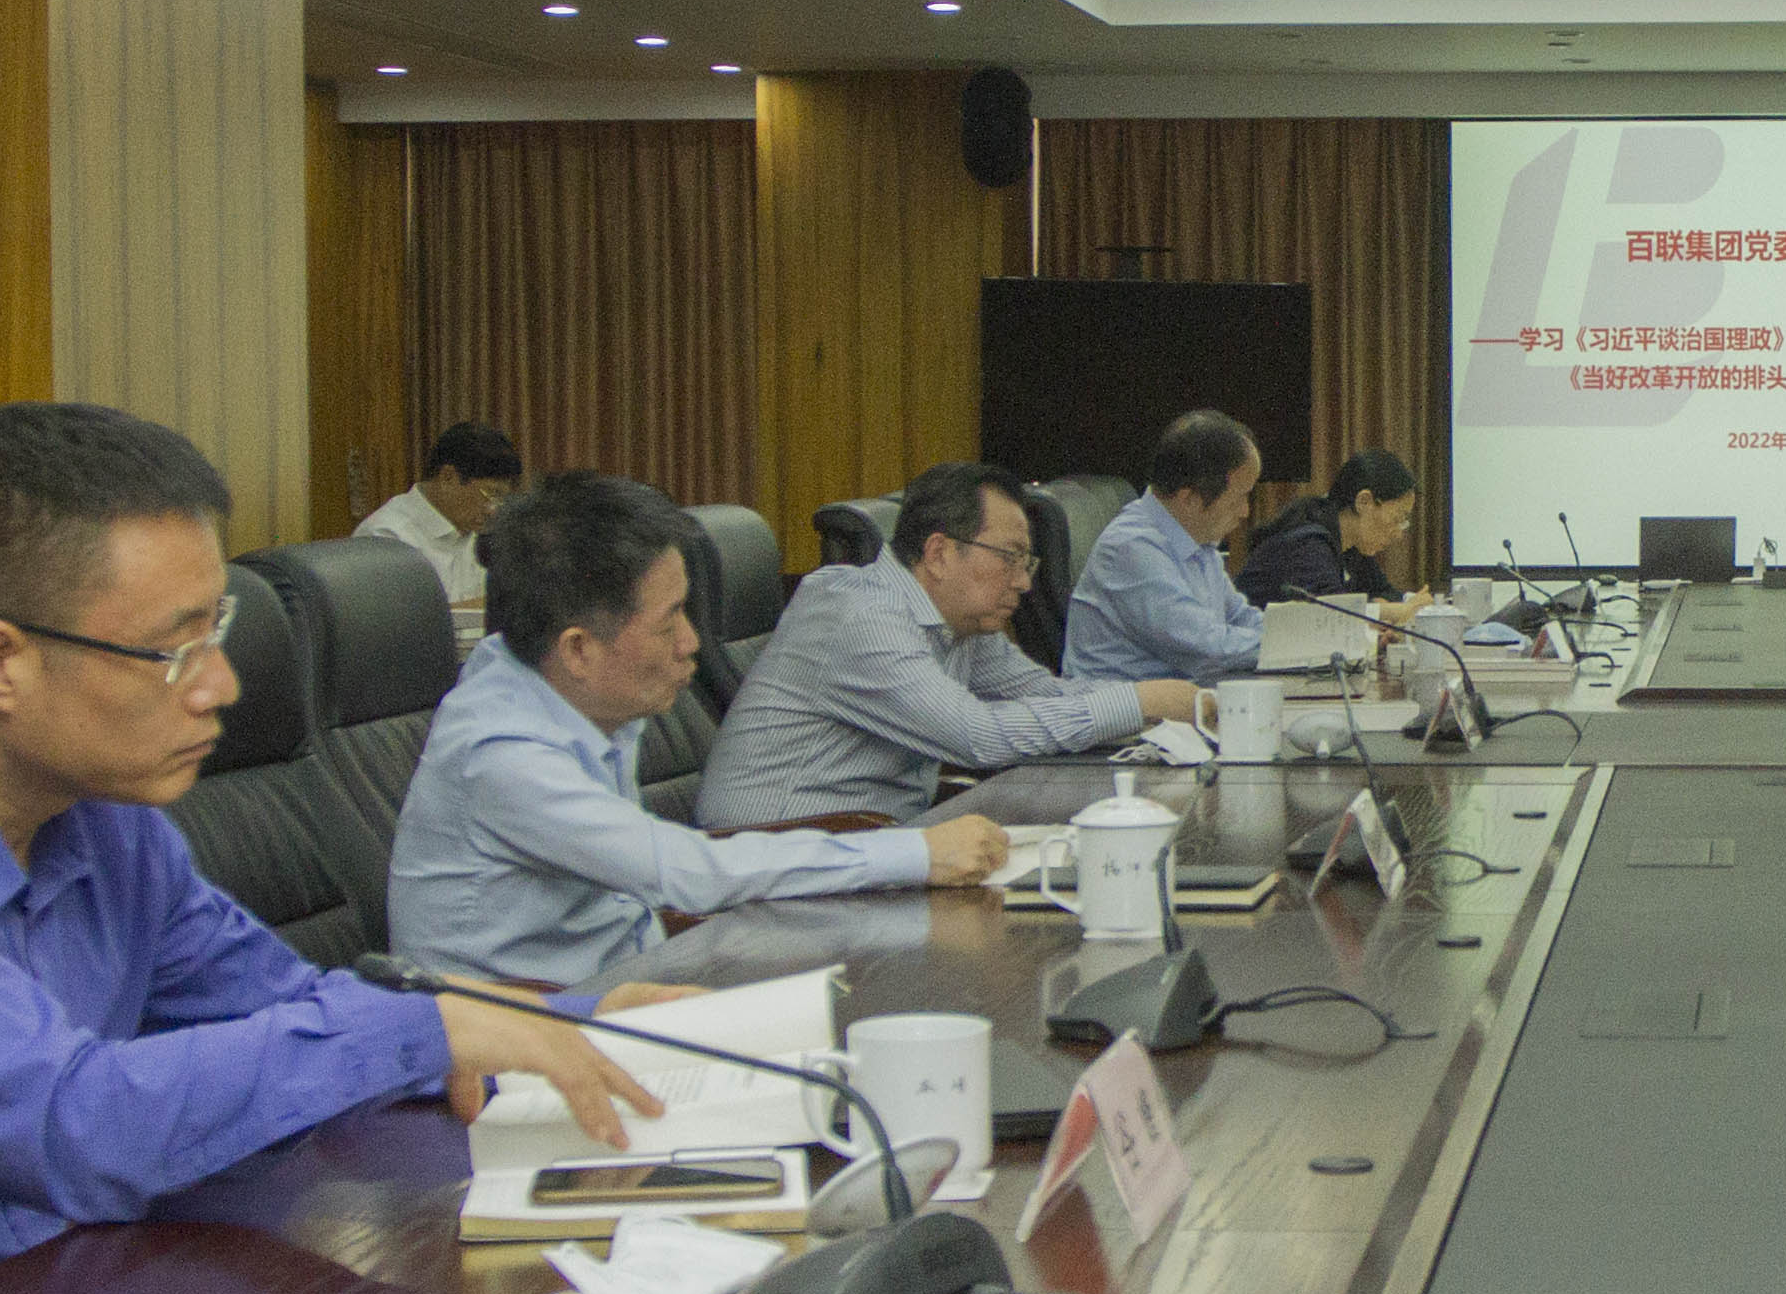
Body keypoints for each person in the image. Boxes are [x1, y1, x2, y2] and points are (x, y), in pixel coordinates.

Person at [0, 404, 665, 1294]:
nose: (221, 685)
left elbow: (278, 1004)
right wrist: (425, 1028)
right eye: (174, 649)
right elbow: (70, 1122)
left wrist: (571, 1022)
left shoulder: (91, 803)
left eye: (219, 628)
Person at [388, 471, 1009, 985]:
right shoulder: (500, 753)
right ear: (579, 648)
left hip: (635, 975)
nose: (691, 642)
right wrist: (915, 852)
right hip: (526, 1035)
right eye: (669, 622)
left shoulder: (567, 681)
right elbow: (680, 873)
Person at [696, 462, 1205, 827]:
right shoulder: (859, 615)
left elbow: (1044, 693)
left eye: (1027, 563)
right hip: (781, 855)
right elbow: (975, 736)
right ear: (939, 553)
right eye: (1009, 558)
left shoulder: (960, 623)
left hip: (870, 841)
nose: (1024, 582)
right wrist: (1136, 702)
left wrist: (1164, 705)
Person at [1063, 410, 1270, 682]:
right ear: (1189, 498)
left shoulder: (1198, 541)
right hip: (1127, 706)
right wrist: (1287, 649)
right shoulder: (1132, 547)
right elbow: (1206, 648)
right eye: (1238, 499)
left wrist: (1298, 639)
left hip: (1182, 696)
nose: (1245, 512)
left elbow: (1239, 617)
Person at [353, 421, 523, 614]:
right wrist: (497, 607)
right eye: (490, 495)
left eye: (501, 499)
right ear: (448, 478)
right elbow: (398, 622)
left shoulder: (480, 535)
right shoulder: (386, 537)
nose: (493, 510)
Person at [1237, 449, 1425, 622]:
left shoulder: (1353, 546)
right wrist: (1389, 612)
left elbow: (1384, 592)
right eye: (1397, 518)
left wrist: (1397, 605)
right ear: (1364, 502)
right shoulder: (1309, 543)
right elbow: (1331, 617)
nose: (1398, 534)